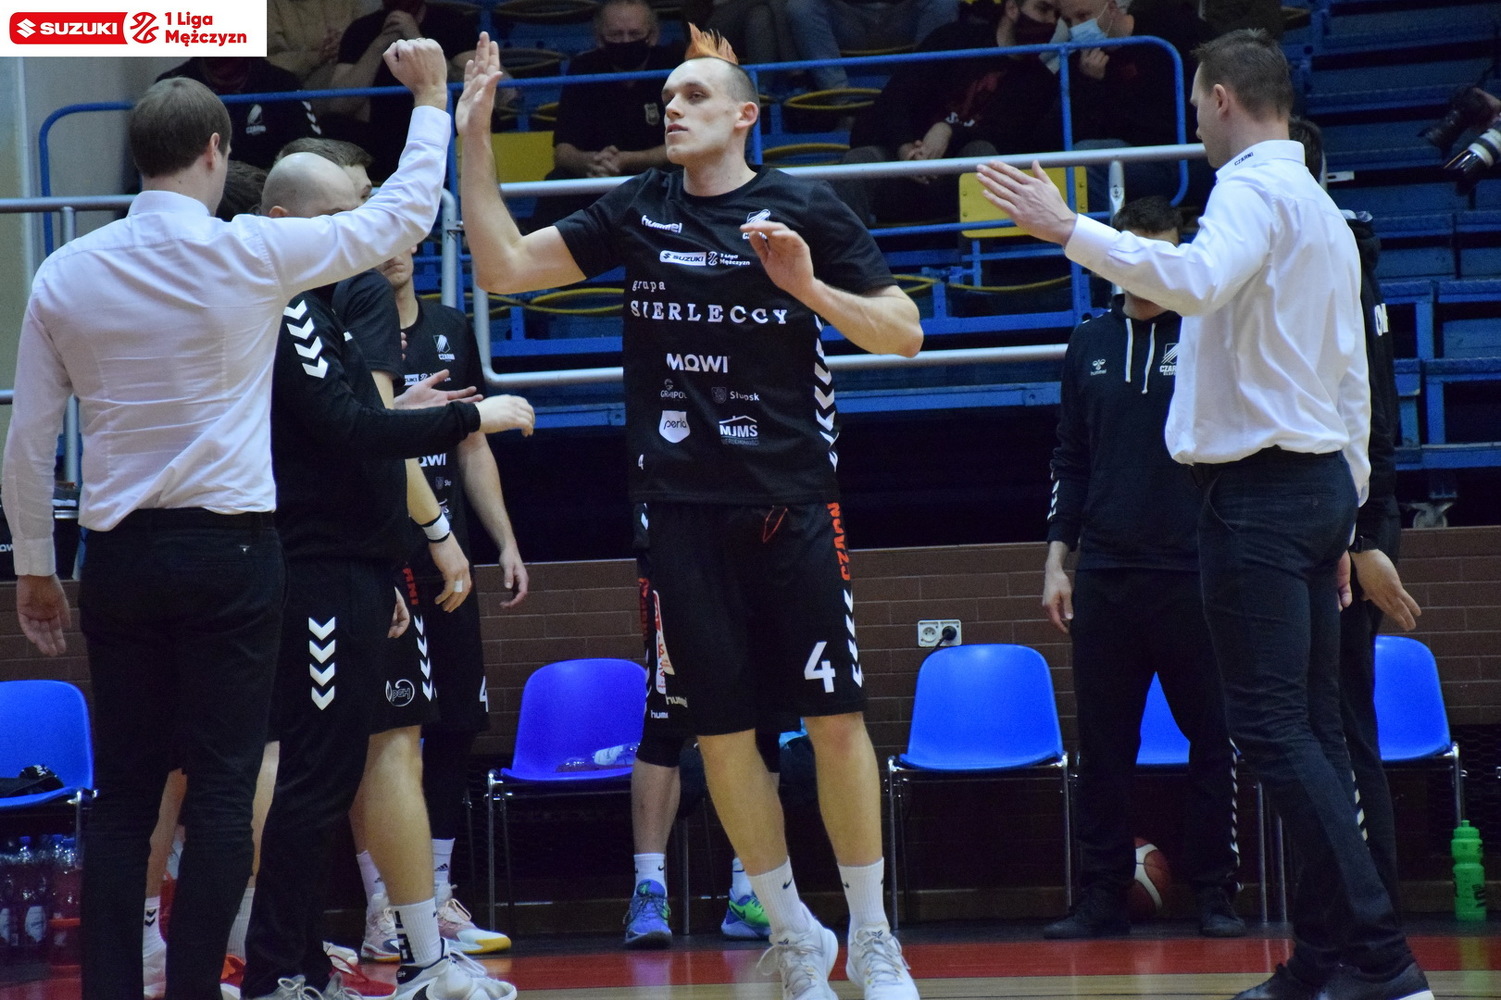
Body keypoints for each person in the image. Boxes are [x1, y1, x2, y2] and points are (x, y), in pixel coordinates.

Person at [461, 26, 926, 1000]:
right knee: (720, 735)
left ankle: (874, 935)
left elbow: (902, 335)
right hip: (675, 510)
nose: (671, 108)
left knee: (835, 721)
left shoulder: (806, 207)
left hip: (791, 502)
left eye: (694, 95)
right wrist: (472, 134)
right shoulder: (639, 206)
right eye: (667, 97)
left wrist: (805, 286)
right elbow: (501, 267)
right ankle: (792, 931)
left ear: (745, 115)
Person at [979, 28, 1433, 1000]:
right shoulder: (1320, 209)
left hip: (1257, 496)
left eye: (1194, 104)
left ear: (1221, 97)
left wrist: (1068, 228)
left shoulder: (1248, 191)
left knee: (1268, 729)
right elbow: (1352, 385)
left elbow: (1190, 280)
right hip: (1314, 489)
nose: (1192, 122)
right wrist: (1349, 519)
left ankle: (1382, 961)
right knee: (1310, 729)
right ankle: (1323, 962)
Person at [0, 39, 455, 1000]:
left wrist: (35, 566)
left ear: (139, 154)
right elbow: (402, 216)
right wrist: (429, 101)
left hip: (117, 559)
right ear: (216, 149)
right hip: (233, 556)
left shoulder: (65, 273)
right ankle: (198, 989)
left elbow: (29, 440)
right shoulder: (250, 252)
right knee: (220, 790)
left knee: (124, 798)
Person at [242, 151, 532, 1000]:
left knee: (325, 767)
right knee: (312, 773)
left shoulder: (318, 298)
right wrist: (471, 419)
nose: (363, 232)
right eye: (344, 215)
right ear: (287, 222)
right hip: (310, 566)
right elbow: (347, 430)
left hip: (345, 561)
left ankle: (305, 964)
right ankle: (277, 972)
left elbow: (347, 423)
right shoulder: (292, 299)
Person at [1040, 194, 1243, 940]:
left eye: (1162, 254)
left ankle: (1215, 892)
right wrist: (1056, 559)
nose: (1146, 269)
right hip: (1106, 575)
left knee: (1212, 738)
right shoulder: (1087, 342)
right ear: (1113, 257)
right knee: (1104, 747)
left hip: (1194, 572)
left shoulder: (1209, 333)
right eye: (1135, 253)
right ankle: (1101, 896)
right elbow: (1070, 458)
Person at [1287, 113, 1423, 976]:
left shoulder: (1339, 257)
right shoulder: (1304, 259)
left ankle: (1369, 937)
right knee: (1315, 730)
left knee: (1337, 731)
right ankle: (1333, 937)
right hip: (1313, 524)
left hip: (1344, 526)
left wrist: (1367, 534)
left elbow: (1371, 416)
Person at [380, 239, 530, 957]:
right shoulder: (349, 332)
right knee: (385, 733)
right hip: (385, 555)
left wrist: (504, 540)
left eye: (405, 237)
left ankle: (436, 895)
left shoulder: (449, 328)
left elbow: (472, 444)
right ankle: (386, 906)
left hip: (453, 559)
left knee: (457, 721)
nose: (394, 251)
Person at [835, 0, 1061, 225]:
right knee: (859, 161)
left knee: (983, 154)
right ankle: (855, 249)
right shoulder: (953, 40)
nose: (1051, 22)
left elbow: (1008, 139)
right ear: (1012, 8)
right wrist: (905, 148)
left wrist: (949, 131)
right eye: (1043, 9)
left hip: (961, 180)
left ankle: (975, 249)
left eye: (1057, 15)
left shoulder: (1040, 81)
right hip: (908, 164)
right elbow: (896, 98)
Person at [531, 0, 680, 229]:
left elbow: (685, 144)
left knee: (686, 175)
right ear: (599, 37)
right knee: (557, 180)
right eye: (616, 34)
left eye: (634, 33)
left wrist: (628, 160)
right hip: (598, 177)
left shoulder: (674, 67)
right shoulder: (583, 69)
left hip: (659, 175)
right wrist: (589, 163)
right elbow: (563, 152)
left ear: (653, 35)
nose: (626, 41)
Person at [1053, 0, 1209, 206]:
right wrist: (1090, 83)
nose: (1076, 28)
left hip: (1192, 154)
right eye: (1068, 21)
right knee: (1084, 157)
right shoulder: (1078, 64)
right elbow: (1076, 133)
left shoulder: (1170, 28)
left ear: (1111, 8)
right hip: (1136, 162)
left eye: (1083, 16)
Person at [326, 0, 480, 178]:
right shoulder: (361, 29)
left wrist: (415, 37)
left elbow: (472, 86)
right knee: (331, 124)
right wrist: (380, 44)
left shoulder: (451, 21)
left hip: (439, 127)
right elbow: (338, 103)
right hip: (380, 136)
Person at [155, 57, 322, 170]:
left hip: (268, 195)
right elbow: (158, 161)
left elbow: (311, 155)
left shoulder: (283, 84)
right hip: (197, 194)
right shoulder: (168, 88)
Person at [785, 0, 961, 92]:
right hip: (848, 18)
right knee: (801, 7)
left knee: (944, 2)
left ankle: (917, 93)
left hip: (902, 16)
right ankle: (841, 101)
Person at [267, 0, 362, 90]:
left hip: (354, 68)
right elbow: (266, 63)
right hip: (299, 85)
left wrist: (346, 43)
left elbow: (365, 32)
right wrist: (316, 57)